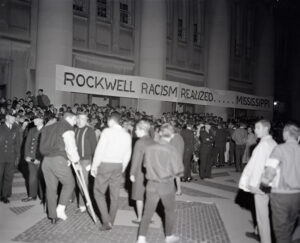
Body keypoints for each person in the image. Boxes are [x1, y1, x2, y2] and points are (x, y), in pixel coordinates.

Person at [136, 123, 184, 243]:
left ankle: (141, 238)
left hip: (151, 184)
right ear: (172, 135)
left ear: (161, 133)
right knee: (169, 211)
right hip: (166, 185)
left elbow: (145, 165)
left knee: (147, 212)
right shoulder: (172, 149)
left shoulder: (150, 148)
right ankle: (168, 236)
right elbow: (179, 170)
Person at [91, 112, 132, 231]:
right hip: (118, 165)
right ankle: (111, 220)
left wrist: (94, 166)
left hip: (105, 164)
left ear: (111, 121)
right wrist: (122, 167)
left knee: (98, 192)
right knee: (114, 195)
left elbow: (99, 150)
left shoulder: (107, 132)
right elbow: (127, 154)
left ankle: (106, 221)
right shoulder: (126, 135)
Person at [239, 120, 277, 243]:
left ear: (266, 128)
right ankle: (257, 231)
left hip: (261, 184)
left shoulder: (263, 145)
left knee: (262, 216)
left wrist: (254, 184)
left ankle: (265, 240)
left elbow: (259, 167)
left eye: (257, 128)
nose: (255, 130)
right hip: (270, 183)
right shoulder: (272, 142)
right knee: (264, 212)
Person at [261, 123, 300, 243]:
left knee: (281, 231)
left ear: (286, 134)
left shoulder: (280, 148)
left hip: (281, 195)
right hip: (297, 196)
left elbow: (270, 172)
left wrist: (264, 182)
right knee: (289, 226)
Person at [40, 112, 80, 224]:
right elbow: (70, 146)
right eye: (75, 120)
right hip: (58, 160)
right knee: (70, 184)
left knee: (51, 188)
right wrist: (75, 160)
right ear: (70, 118)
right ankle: (60, 210)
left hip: (46, 161)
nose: (75, 122)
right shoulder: (67, 127)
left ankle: (52, 216)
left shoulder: (49, 127)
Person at [129, 120, 155, 223]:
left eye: (137, 129)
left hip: (140, 173)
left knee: (139, 196)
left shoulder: (139, 142)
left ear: (142, 130)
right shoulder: (152, 141)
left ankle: (140, 218)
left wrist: (131, 173)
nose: (135, 131)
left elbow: (135, 159)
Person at [74, 112, 97, 213]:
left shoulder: (90, 130)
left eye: (83, 119)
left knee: (83, 182)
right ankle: (84, 202)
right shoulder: (75, 130)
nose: (81, 121)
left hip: (86, 160)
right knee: (79, 182)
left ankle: (84, 204)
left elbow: (94, 147)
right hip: (77, 160)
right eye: (80, 118)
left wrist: (92, 163)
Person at [22, 112, 45, 202]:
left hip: (42, 159)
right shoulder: (32, 130)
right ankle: (32, 195)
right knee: (32, 177)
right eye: (34, 119)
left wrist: (40, 159)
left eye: (36, 119)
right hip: (31, 158)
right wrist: (27, 156)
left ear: (41, 120)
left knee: (42, 178)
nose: (34, 121)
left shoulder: (46, 130)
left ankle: (43, 197)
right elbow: (27, 144)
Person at [0, 110, 20, 203]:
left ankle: (4, 195)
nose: (14, 118)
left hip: (11, 157)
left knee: (8, 177)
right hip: (1, 156)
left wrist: (17, 157)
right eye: (12, 116)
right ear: (7, 117)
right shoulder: (1, 128)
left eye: (15, 117)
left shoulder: (16, 129)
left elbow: (17, 144)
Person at [170, 121, 184, 195]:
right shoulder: (180, 137)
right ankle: (178, 190)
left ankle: (178, 190)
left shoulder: (174, 138)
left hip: (174, 159)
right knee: (176, 176)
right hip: (178, 158)